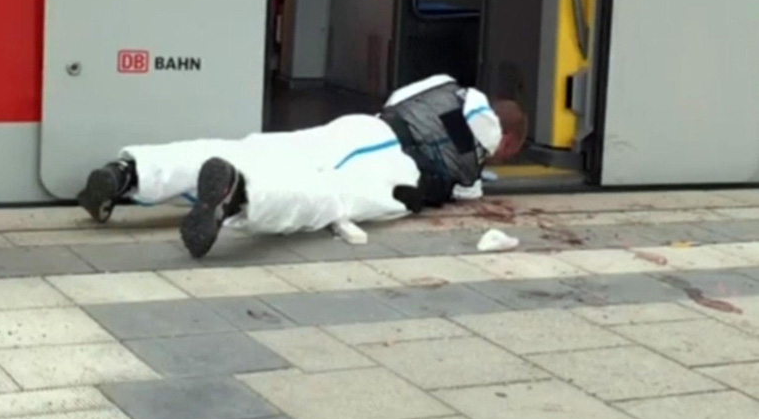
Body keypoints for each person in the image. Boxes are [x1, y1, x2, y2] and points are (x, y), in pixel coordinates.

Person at [77, 74, 527, 258]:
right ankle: (241, 196)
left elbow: (396, 101)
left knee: (257, 148)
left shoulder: (443, 85)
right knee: (323, 199)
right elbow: (464, 188)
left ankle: (131, 172)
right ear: (506, 139)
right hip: (396, 175)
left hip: (359, 130)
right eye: (510, 151)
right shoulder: (480, 147)